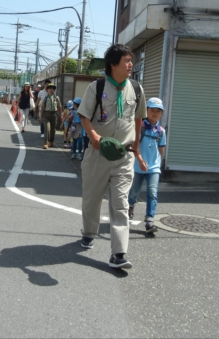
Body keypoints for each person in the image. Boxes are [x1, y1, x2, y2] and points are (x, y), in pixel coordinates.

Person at [77, 44, 147, 269]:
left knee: (120, 204)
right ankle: (89, 232)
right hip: (97, 155)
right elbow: (84, 116)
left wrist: (136, 150)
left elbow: (138, 120)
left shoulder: (136, 89)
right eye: (126, 61)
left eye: (131, 60)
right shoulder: (96, 88)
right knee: (92, 199)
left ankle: (119, 253)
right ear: (113, 64)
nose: (130, 65)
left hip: (123, 157)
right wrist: (94, 136)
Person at [128, 97, 167, 234]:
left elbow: (161, 150)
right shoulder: (140, 127)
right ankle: (130, 207)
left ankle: (150, 220)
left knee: (152, 192)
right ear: (146, 111)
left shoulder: (161, 131)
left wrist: (157, 164)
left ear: (161, 113)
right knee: (134, 191)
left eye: (158, 111)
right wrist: (140, 160)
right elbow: (134, 146)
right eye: (152, 110)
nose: (155, 113)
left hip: (153, 168)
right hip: (138, 166)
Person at [39, 83, 63, 149]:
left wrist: (61, 115)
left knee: (53, 130)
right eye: (50, 88)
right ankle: (45, 143)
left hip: (54, 114)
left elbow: (59, 107)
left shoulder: (56, 98)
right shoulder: (45, 98)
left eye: (53, 88)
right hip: (46, 115)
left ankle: (51, 141)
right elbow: (42, 108)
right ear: (47, 90)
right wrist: (41, 117)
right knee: (47, 128)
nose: (51, 90)